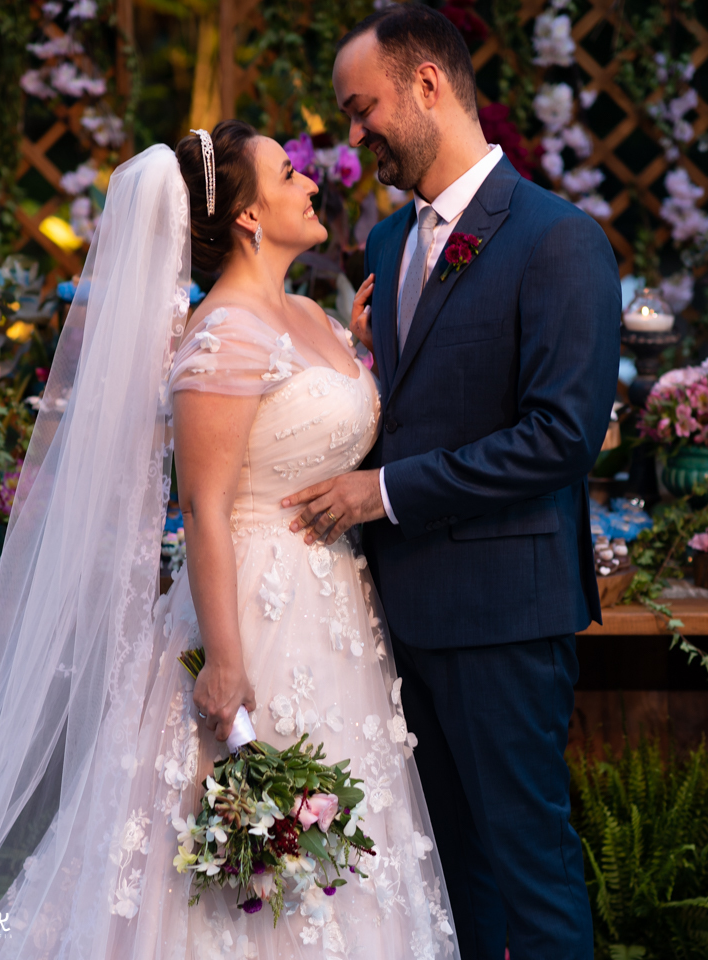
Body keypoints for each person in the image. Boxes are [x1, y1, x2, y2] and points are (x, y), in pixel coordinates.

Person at [0, 123, 457, 960]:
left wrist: (358, 352)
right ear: (249, 216)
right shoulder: (220, 336)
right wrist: (223, 662)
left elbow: (315, 428)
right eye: (288, 175)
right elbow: (206, 508)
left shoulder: (306, 314)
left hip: (336, 616)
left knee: (342, 855)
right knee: (242, 869)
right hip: (250, 614)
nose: (311, 184)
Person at [283, 7, 621, 960]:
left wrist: (382, 492)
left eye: (363, 108)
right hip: (396, 616)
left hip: (506, 615)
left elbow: (560, 439)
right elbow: (409, 406)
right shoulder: (388, 245)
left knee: (530, 871)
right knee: (445, 880)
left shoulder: (558, 240)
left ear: (428, 84)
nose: (355, 134)